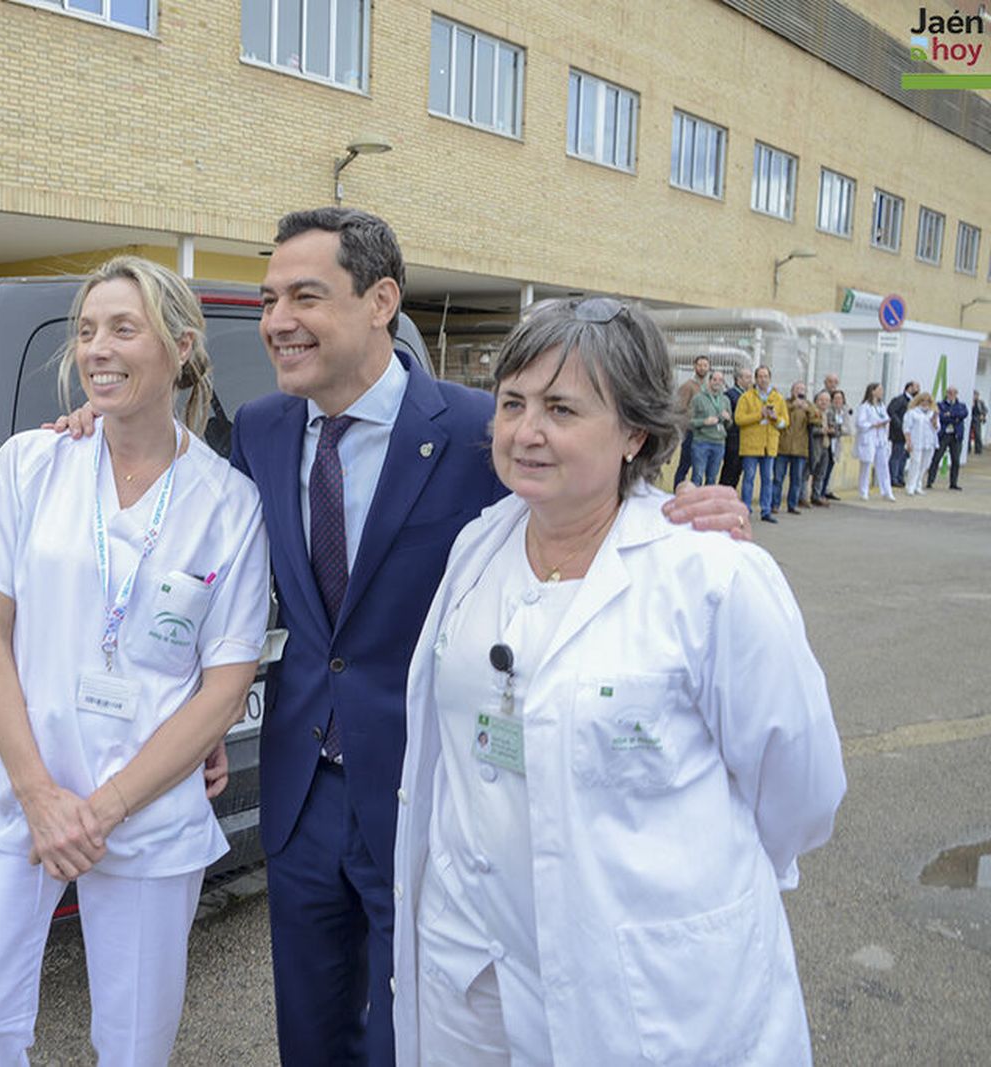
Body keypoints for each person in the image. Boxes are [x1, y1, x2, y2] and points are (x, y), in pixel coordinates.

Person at [54, 209, 750, 1066]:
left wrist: (680, 513)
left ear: (381, 299)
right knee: (310, 1033)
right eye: (271, 298)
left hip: (431, 793)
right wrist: (97, 426)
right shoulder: (266, 430)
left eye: (305, 295)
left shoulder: (475, 432)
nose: (277, 320)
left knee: (413, 1034)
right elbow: (199, 561)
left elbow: (577, 506)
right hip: (300, 790)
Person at [393, 297, 846, 1066]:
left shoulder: (710, 573)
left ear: (635, 430)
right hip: (468, 964)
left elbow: (801, 791)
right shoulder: (478, 546)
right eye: (512, 403)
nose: (526, 431)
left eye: (561, 408)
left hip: (638, 979)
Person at [0, 256, 270, 1065]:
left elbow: (224, 684)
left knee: (133, 1042)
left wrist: (106, 807)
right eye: (86, 331)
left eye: (125, 328)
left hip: (149, 808)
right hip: (16, 795)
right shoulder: (30, 464)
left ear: (182, 347)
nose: (98, 348)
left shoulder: (229, 502)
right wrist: (40, 797)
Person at [735, 365, 785, 522]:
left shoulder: (778, 398)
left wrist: (776, 418)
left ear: (770, 378)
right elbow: (739, 419)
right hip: (751, 446)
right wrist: (759, 415)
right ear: (756, 379)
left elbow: (785, 424)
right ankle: (746, 509)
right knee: (748, 478)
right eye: (760, 376)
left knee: (767, 479)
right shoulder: (746, 397)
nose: (763, 379)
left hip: (769, 446)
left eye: (766, 376)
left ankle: (766, 510)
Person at [772, 381, 812, 515]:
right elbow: (778, 415)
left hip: (800, 449)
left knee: (796, 479)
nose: (799, 391)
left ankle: (792, 504)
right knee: (778, 477)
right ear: (792, 390)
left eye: (802, 389)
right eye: (797, 389)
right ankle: (775, 504)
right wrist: (792, 407)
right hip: (783, 447)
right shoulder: (784, 403)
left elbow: (817, 418)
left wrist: (808, 409)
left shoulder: (808, 405)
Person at [672, 355, 710, 488]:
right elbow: (680, 408)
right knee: (685, 465)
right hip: (691, 432)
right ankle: (677, 493)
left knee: (699, 468)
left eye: (705, 365)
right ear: (694, 366)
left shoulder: (709, 387)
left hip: (705, 433)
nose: (702, 368)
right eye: (700, 365)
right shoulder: (688, 386)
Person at [688, 368, 730, 485]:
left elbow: (729, 425)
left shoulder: (725, 400)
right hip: (701, 442)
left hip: (719, 443)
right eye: (715, 379)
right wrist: (704, 422)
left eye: (720, 380)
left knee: (712, 478)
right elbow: (689, 421)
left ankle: (708, 503)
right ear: (709, 381)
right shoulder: (698, 398)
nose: (717, 382)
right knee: (698, 476)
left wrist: (727, 419)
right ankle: (695, 502)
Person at [854, 382, 895, 502]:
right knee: (866, 466)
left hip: (881, 439)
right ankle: (863, 491)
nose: (881, 392)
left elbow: (885, 418)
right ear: (872, 391)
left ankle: (887, 491)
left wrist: (884, 423)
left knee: (883, 465)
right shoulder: (865, 406)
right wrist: (873, 425)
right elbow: (860, 423)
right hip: (869, 438)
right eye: (879, 389)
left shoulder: (881, 406)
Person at [927, 386, 968, 490]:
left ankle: (953, 483)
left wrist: (951, 414)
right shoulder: (940, 405)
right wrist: (954, 417)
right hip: (944, 435)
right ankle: (930, 481)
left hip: (956, 435)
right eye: (949, 393)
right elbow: (941, 416)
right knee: (936, 458)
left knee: (956, 460)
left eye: (953, 393)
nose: (950, 395)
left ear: (956, 394)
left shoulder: (961, 405)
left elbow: (964, 414)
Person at [903, 391, 939, 496]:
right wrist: (908, 441)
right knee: (915, 463)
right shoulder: (912, 412)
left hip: (929, 442)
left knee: (925, 464)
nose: (925, 403)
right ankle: (910, 486)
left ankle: (918, 485)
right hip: (916, 442)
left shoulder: (933, 413)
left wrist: (934, 420)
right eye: (923, 400)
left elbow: (937, 428)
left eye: (928, 401)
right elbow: (906, 428)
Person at [720, 366, 751, 488]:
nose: (750, 380)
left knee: (738, 470)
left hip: (745, 439)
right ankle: (722, 496)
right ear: (738, 379)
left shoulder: (749, 395)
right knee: (730, 469)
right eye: (747, 377)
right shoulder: (730, 395)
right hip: (733, 439)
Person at [886, 382, 918, 488]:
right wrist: (899, 424)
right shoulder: (900, 400)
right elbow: (891, 410)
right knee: (897, 455)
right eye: (915, 387)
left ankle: (900, 477)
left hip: (908, 434)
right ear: (909, 388)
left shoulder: (913, 402)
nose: (918, 390)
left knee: (904, 456)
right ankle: (893, 478)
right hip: (899, 434)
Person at [821, 388, 849, 501]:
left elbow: (848, 430)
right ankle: (820, 493)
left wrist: (838, 429)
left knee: (829, 470)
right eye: (836, 398)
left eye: (840, 399)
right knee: (824, 470)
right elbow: (831, 429)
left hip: (836, 445)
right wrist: (838, 429)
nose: (838, 401)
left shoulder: (843, 413)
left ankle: (824, 492)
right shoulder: (829, 412)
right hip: (827, 444)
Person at [806, 390, 833, 507]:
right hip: (814, 446)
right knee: (807, 472)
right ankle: (802, 497)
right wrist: (821, 431)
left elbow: (836, 428)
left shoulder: (829, 414)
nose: (824, 403)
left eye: (826, 400)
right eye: (821, 400)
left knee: (821, 473)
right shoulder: (813, 413)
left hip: (826, 446)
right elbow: (810, 430)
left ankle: (816, 495)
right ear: (816, 401)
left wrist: (833, 431)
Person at [972, 389, 986, 455]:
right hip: (971, 418)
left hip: (977, 419)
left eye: (976, 395)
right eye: (974, 395)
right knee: (968, 435)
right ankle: (968, 449)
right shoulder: (971, 401)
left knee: (977, 434)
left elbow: (985, 410)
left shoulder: (980, 402)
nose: (975, 396)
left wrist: (982, 415)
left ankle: (978, 450)